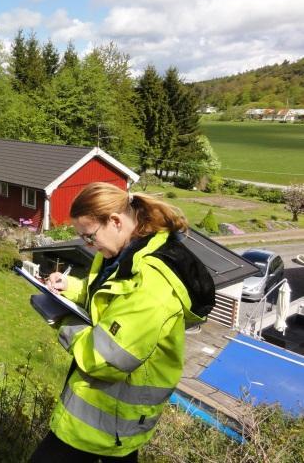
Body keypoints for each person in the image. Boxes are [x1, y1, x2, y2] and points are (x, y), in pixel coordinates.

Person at [30, 182, 214, 462]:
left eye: (90, 237)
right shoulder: (121, 254)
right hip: (99, 411)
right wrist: (70, 286)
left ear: (115, 221)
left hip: (112, 422)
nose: (88, 245)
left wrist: (62, 319)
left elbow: (105, 358)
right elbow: (108, 299)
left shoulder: (151, 281)